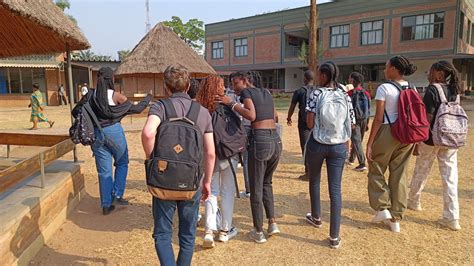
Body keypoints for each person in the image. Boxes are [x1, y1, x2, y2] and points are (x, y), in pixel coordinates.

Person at [141, 65, 215, 265]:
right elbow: (210, 152)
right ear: (189, 85)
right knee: (188, 235)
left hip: (164, 178)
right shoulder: (203, 112)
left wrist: (152, 160)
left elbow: (148, 133)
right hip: (192, 181)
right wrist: (207, 182)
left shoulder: (160, 107)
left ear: (166, 87)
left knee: (163, 234)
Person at [216, 71, 281, 244]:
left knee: (256, 187)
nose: (233, 87)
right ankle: (272, 222)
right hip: (276, 140)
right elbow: (275, 116)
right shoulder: (266, 92)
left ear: (245, 81)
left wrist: (231, 104)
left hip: (260, 141)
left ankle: (258, 231)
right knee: (267, 183)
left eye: (235, 83)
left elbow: (251, 115)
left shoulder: (246, 92)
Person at [87, 67, 151, 215]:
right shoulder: (116, 96)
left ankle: (106, 205)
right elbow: (136, 109)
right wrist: (148, 97)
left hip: (97, 134)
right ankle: (117, 195)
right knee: (122, 162)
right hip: (114, 132)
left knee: (104, 171)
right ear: (111, 79)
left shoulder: (91, 95)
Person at [304, 62, 355, 249]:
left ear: (324, 75)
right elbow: (352, 121)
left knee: (315, 180)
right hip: (339, 145)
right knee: (335, 190)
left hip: (318, 143)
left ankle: (316, 217)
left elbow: (309, 123)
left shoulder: (316, 93)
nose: (317, 77)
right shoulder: (344, 94)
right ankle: (334, 236)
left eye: (319, 74)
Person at [407, 61, 463, 231]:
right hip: (451, 138)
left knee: (421, 170)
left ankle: (414, 201)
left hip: (431, 139)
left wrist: (418, 141)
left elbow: (427, 117)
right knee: (450, 177)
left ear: (439, 74)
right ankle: (452, 217)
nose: (428, 75)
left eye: (431, 71)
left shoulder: (432, 89)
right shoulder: (455, 90)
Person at [366, 55, 417, 233]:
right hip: (408, 135)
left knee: (377, 168)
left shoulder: (384, 88)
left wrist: (370, 143)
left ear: (394, 69)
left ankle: (382, 208)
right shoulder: (412, 87)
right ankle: (396, 219)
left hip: (388, 131)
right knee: (400, 174)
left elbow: (378, 118)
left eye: (387, 67)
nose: (385, 70)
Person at [196, 75, 239, 248]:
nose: (224, 88)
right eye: (221, 85)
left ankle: (208, 231)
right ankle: (224, 231)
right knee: (228, 192)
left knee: (211, 192)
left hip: (209, 155)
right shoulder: (229, 106)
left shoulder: (201, 110)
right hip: (230, 154)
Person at [287, 70, 315, 181]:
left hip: (303, 123)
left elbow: (292, 106)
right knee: (315, 146)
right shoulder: (318, 91)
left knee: (305, 147)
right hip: (316, 123)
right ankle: (315, 171)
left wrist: (289, 117)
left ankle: (308, 172)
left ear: (305, 79)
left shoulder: (299, 91)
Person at [347, 72, 371, 171]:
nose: (349, 80)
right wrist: (367, 123)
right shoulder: (366, 93)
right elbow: (369, 109)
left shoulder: (350, 93)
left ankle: (362, 163)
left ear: (353, 80)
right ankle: (351, 159)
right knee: (358, 141)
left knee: (356, 141)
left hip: (354, 120)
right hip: (364, 119)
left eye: (350, 78)